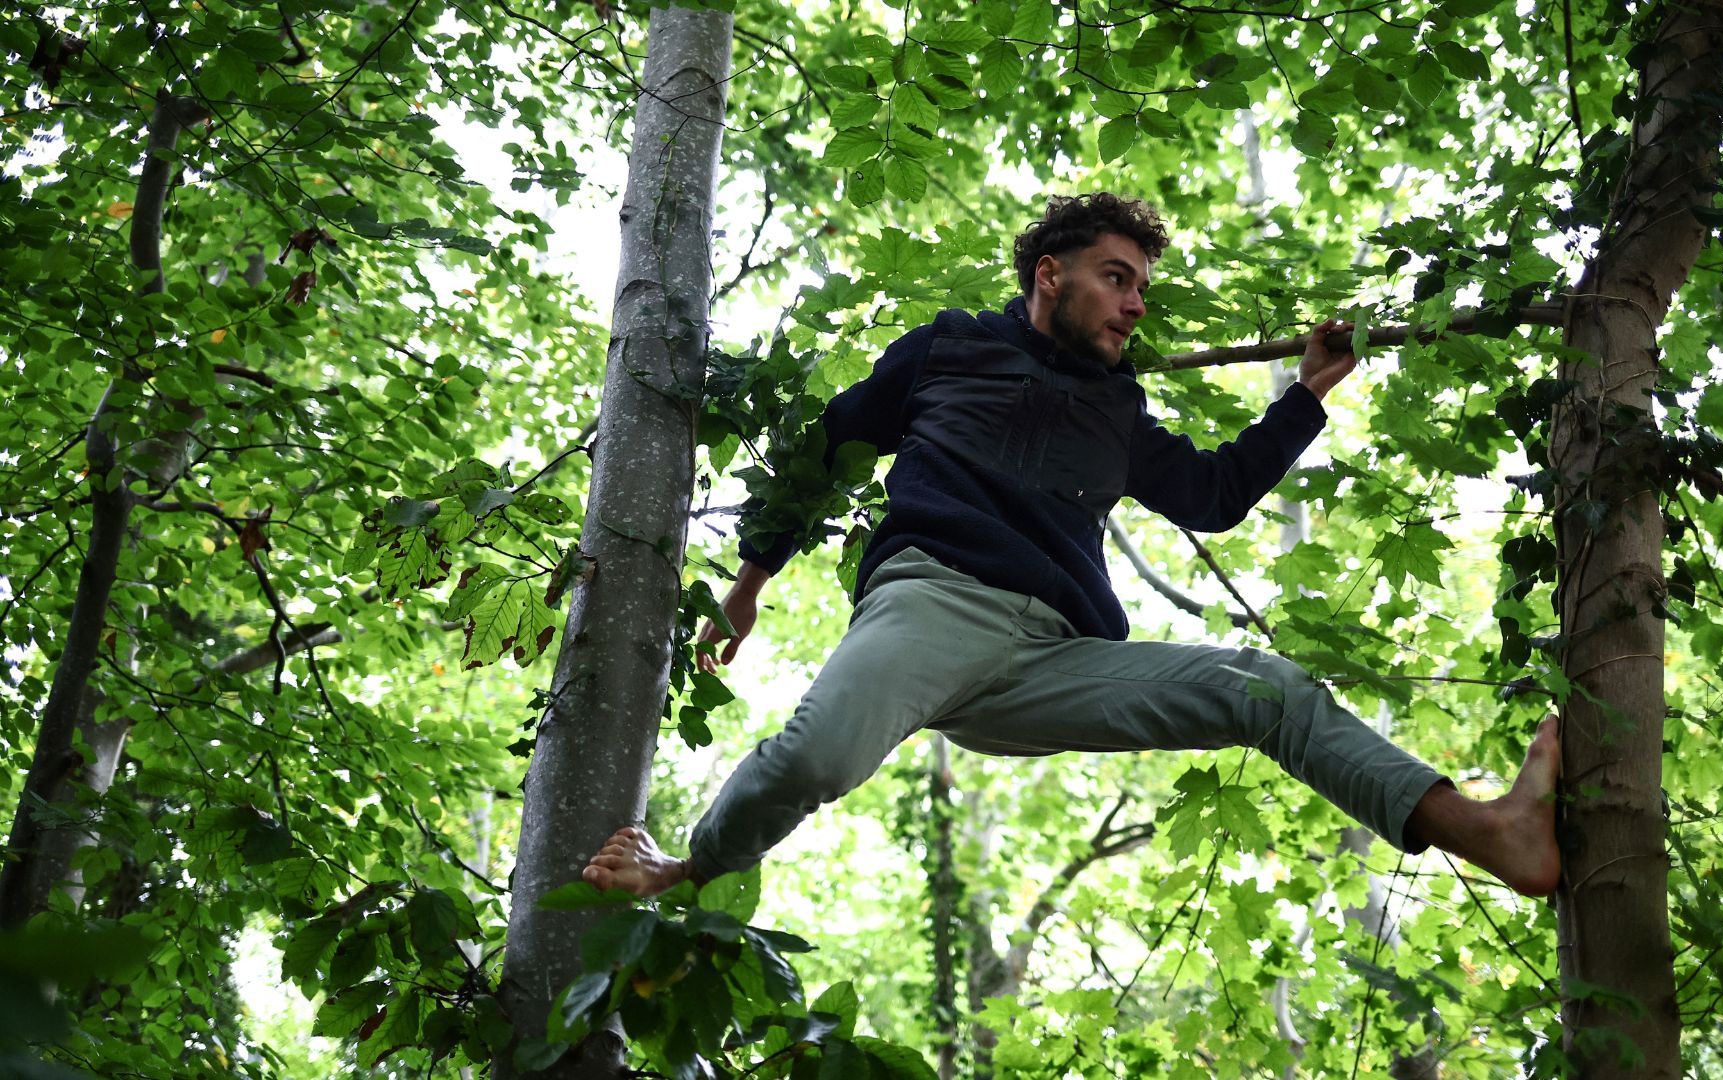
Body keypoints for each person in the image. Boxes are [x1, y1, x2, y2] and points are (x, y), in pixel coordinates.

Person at [583, 193, 1560, 901]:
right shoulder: (950, 348)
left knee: (1265, 693)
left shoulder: (1118, 412)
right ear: (1051, 277)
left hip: (1056, 654)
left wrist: (1306, 397)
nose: (1135, 304)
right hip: (937, 602)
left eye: (1141, 286)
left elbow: (1213, 496)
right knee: (812, 763)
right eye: (1117, 279)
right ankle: (689, 864)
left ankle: (1489, 831)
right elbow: (827, 445)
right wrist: (751, 584)